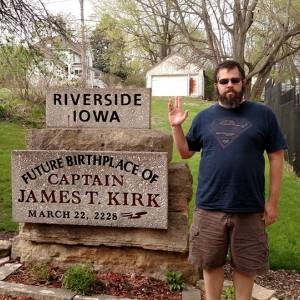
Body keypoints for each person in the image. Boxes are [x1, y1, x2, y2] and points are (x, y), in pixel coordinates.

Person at [168, 60, 287, 300]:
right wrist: (176, 127)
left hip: (249, 206)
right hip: (210, 205)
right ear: (217, 86)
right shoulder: (204, 117)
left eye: (234, 80)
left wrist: (272, 203)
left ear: (243, 82)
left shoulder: (264, 114)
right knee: (210, 263)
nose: (229, 85)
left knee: (246, 266)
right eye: (224, 81)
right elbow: (185, 152)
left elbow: (276, 157)